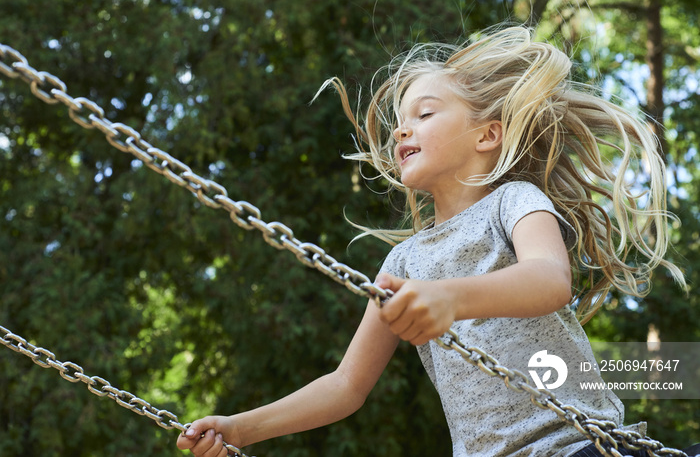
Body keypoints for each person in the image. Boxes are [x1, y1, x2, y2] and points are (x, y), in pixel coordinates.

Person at [176, 26, 688, 457]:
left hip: (578, 444)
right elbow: (346, 385)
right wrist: (240, 428)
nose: (401, 132)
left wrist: (450, 297)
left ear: (486, 136)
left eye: (423, 114)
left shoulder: (514, 201)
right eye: (399, 123)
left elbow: (550, 279)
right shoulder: (405, 261)